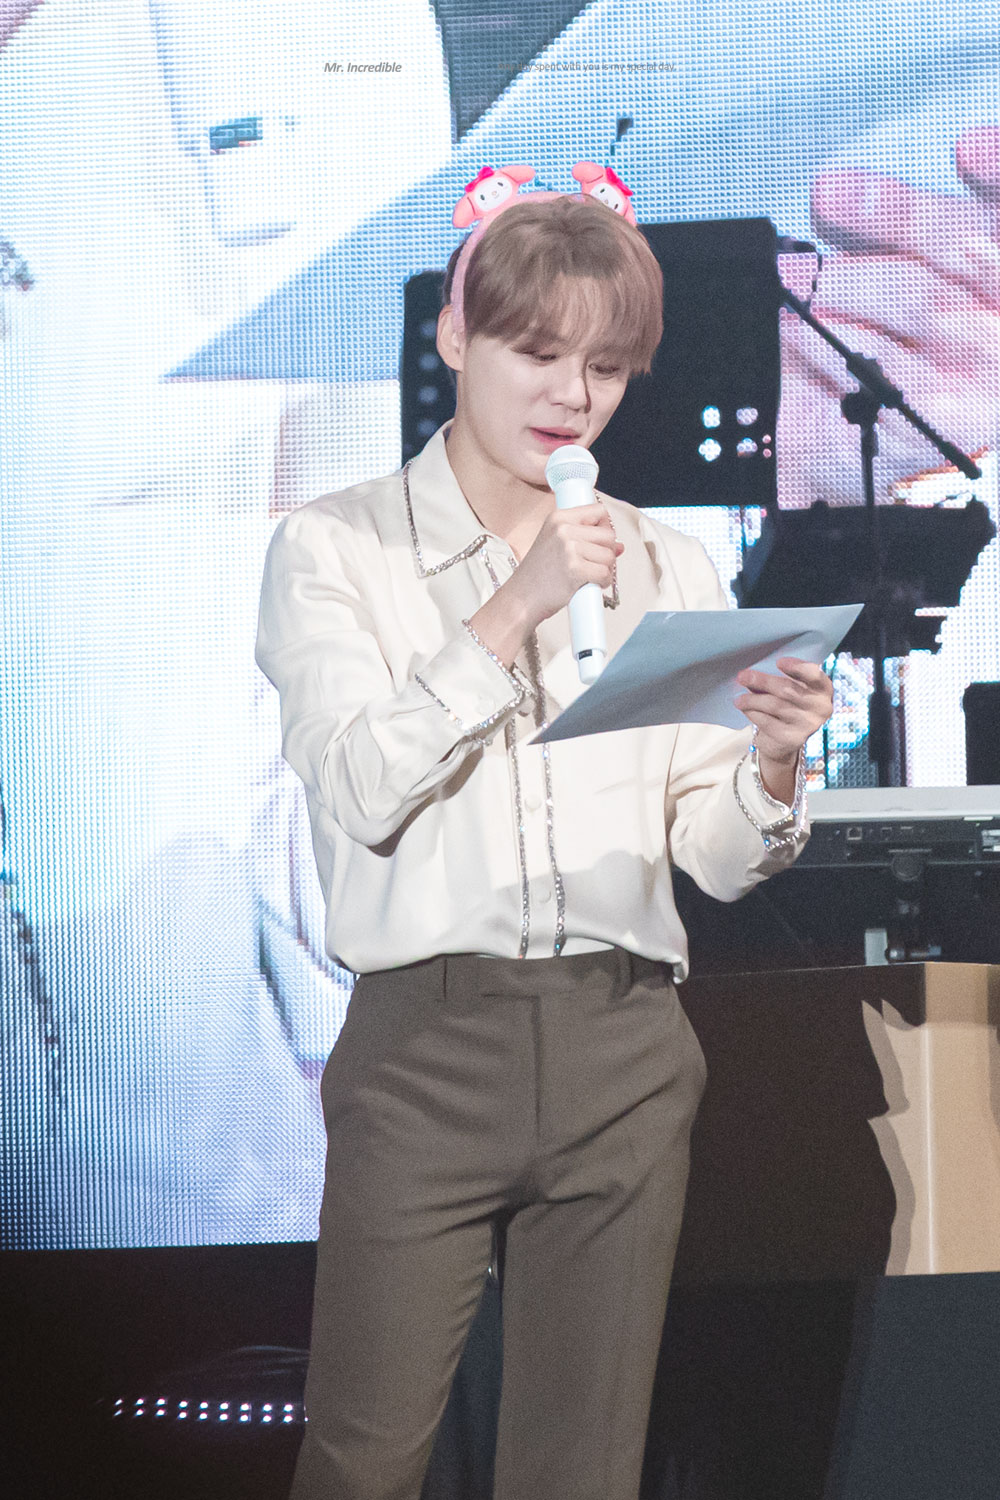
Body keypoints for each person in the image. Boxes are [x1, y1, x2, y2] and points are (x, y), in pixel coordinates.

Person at [255, 178, 833, 1500]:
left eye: (607, 368)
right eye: (538, 352)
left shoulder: (667, 563)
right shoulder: (337, 547)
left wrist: (776, 763)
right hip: (428, 1045)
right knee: (363, 1456)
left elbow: (714, 854)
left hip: (623, 1041)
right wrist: (516, 604)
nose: (573, 396)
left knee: (582, 1466)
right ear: (456, 334)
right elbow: (361, 789)